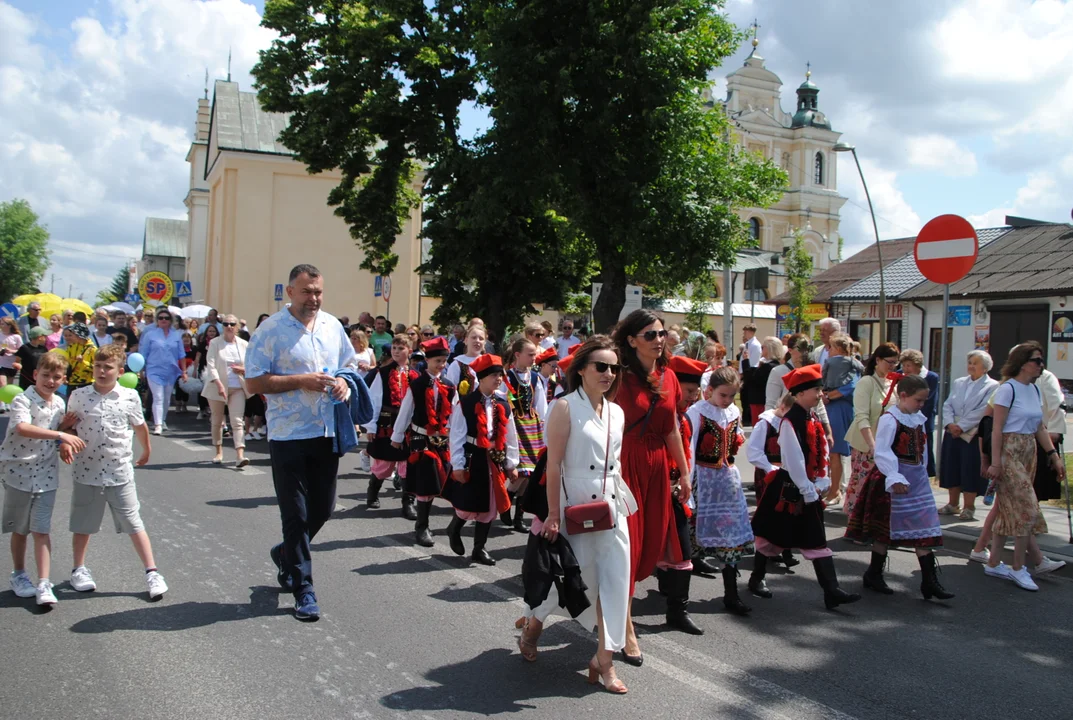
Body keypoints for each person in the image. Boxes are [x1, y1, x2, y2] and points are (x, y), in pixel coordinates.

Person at [245, 264, 357, 621]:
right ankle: (303, 588)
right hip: (289, 434)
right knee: (295, 514)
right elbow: (255, 383)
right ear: (289, 292)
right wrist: (300, 380)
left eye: (318, 292)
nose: (314, 299)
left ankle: (286, 553)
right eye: (307, 292)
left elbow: (348, 367)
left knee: (322, 509)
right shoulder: (270, 330)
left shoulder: (332, 326)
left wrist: (343, 383)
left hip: (326, 431)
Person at [541, 335, 636, 693]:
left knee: (614, 583)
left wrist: (622, 500)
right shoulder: (565, 407)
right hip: (574, 504)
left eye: (614, 367)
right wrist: (553, 512)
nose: (609, 373)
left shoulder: (618, 412)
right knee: (567, 582)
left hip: (611, 508)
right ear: (581, 370)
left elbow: (617, 464)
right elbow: (553, 466)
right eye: (601, 366)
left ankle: (604, 661)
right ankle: (534, 623)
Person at [613, 308, 700, 663]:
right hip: (623, 465)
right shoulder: (615, 376)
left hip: (656, 467)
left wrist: (683, 471)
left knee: (650, 543)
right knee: (627, 548)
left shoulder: (669, 376)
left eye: (661, 334)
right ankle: (626, 626)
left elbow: (670, 428)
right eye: (650, 335)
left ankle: (614, 609)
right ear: (631, 340)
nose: (659, 340)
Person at [748, 364, 861, 610]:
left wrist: (822, 478)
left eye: (820, 390)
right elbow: (793, 458)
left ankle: (831, 591)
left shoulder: (811, 417)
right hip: (790, 487)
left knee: (815, 539)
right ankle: (756, 578)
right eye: (815, 390)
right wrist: (808, 489)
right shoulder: (790, 422)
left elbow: (819, 450)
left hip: (807, 486)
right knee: (769, 535)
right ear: (799, 394)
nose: (820, 394)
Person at [65, 344, 168, 600]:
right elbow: (68, 429)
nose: (102, 371)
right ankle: (79, 569)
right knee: (83, 524)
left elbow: (139, 425)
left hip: (119, 470)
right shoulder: (78, 396)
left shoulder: (129, 396)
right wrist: (66, 438)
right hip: (86, 471)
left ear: (120, 371)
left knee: (133, 521)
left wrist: (146, 449)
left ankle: (152, 572)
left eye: (108, 367)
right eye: (98, 366)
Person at [845, 374, 954, 600]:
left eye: (924, 401)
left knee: (925, 528)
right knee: (884, 531)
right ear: (903, 396)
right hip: (892, 479)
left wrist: (922, 472)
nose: (922, 405)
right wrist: (894, 476)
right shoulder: (890, 419)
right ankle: (874, 573)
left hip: (916, 480)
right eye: (918, 400)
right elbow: (882, 450)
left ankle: (929, 581)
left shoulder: (918, 418)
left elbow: (921, 450)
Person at [1, 352, 84, 606]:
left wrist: (66, 436)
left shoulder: (59, 403)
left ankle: (44, 582)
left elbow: (62, 432)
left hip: (47, 475)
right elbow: (22, 428)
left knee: (41, 529)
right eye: (46, 375)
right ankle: (19, 574)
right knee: (20, 528)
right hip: (19, 473)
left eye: (56, 377)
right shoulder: (21, 400)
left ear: (63, 379)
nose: (50, 381)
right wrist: (61, 434)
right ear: (35, 375)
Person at [983, 342, 1066, 591]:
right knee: (1027, 508)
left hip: (1029, 450)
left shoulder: (1035, 390)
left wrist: (1053, 454)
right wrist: (995, 462)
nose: (1041, 365)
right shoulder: (1008, 389)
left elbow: (1040, 427)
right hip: (1009, 450)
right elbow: (996, 429)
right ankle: (1019, 567)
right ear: (1022, 363)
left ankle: (994, 562)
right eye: (1036, 360)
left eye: (1041, 360)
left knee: (1010, 508)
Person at [687, 366, 754, 615]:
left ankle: (731, 594)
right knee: (689, 536)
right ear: (710, 390)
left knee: (731, 537)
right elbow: (690, 450)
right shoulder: (697, 412)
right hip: (702, 481)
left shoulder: (733, 412)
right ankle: (672, 587)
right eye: (722, 395)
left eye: (731, 396)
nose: (727, 401)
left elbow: (735, 440)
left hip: (727, 481)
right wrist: (688, 483)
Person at [442, 354, 520, 565]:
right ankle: (454, 528)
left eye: (500, 375)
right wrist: (457, 464)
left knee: (491, 504)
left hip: (494, 458)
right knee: (469, 503)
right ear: (483, 377)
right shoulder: (466, 403)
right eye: (494, 375)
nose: (499, 379)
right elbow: (457, 435)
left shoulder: (503, 403)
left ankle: (479, 548)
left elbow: (511, 434)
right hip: (472, 457)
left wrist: (511, 463)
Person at [391, 337, 456, 546]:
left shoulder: (449, 385)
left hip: (442, 439)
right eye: (437, 360)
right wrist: (397, 436)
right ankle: (422, 526)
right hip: (421, 438)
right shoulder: (417, 385)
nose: (441, 365)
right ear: (427, 360)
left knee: (442, 479)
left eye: (444, 361)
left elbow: (454, 415)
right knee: (425, 482)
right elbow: (406, 411)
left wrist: (454, 437)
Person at [363, 334, 418, 512]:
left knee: (408, 465)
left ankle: (408, 503)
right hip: (386, 422)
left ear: (409, 351)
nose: (396, 351)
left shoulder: (415, 375)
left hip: (408, 425)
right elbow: (374, 400)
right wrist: (371, 426)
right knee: (383, 463)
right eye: (394, 348)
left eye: (400, 348)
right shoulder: (383, 373)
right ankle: (373, 492)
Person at [844, 342, 899, 518]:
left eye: (895, 363)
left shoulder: (893, 383)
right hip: (866, 444)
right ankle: (856, 524)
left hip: (887, 444)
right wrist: (872, 445)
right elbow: (861, 416)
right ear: (877, 360)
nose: (892, 366)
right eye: (889, 362)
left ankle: (874, 524)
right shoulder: (866, 382)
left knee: (881, 488)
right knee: (862, 485)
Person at [501, 338, 548, 532]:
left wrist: (544, 428)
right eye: (530, 354)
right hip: (515, 427)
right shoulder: (507, 377)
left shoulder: (535, 378)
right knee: (519, 472)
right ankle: (505, 503)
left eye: (534, 355)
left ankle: (519, 516)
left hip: (532, 427)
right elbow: (502, 402)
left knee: (530, 474)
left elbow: (541, 405)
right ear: (518, 355)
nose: (533, 358)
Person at [202, 314, 251, 468]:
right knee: (217, 420)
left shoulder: (243, 344)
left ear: (237, 326)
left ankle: (240, 455)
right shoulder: (215, 343)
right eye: (225, 324)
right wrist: (219, 384)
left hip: (238, 387)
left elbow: (252, 364)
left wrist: (242, 369)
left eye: (232, 324)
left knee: (237, 422)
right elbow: (211, 365)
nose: (229, 326)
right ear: (221, 326)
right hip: (217, 387)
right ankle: (218, 451)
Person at [822, 333, 863, 506]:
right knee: (832, 451)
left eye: (830, 347)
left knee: (835, 451)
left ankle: (836, 491)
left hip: (840, 410)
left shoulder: (851, 368)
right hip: (831, 408)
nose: (828, 351)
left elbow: (850, 387)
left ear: (838, 348)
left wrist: (828, 396)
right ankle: (834, 488)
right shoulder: (849, 365)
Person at [139, 308, 188, 435]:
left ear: (170, 320)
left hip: (171, 370)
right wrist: (141, 371)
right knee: (158, 397)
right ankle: (158, 424)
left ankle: (163, 419)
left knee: (166, 398)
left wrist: (184, 371)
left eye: (166, 318)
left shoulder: (176, 335)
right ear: (157, 320)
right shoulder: (150, 335)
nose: (163, 320)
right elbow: (143, 354)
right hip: (153, 369)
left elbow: (181, 355)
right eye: (161, 318)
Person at [899, 349, 938, 478]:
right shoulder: (899, 375)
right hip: (903, 418)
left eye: (908, 365)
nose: (905, 369)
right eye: (903, 365)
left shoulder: (931, 377)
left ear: (917, 365)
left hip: (923, 419)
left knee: (923, 448)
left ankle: (925, 474)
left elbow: (929, 401)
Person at [745, 336, 782, 423]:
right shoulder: (774, 365)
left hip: (760, 402)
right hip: (764, 401)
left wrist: (746, 361)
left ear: (770, 349)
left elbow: (750, 379)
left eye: (763, 347)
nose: (761, 349)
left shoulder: (768, 366)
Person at [51, 323, 96, 392]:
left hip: (87, 383)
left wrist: (83, 362)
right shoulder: (72, 347)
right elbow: (67, 364)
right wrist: (64, 376)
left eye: (74, 334)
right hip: (72, 383)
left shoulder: (93, 349)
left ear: (79, 335)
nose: (72, 336)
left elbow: (96, 368)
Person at [445, 324, 487, 397]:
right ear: (466, 340)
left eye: (481, 338)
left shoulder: (488, 363)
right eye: (473, 338)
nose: (477, 341)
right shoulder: (457, 364)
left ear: (485, 343)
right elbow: (450, 391)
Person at [0, 317, 23, 406]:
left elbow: (21, 351)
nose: (1, 326)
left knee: (9, 385)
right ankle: (1, 403)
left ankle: (8, 402)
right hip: (1, 363)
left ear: (9, 325)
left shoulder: (16, 337)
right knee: (2, 383)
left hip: (12, 364)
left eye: (3, 324)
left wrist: (11, 351)